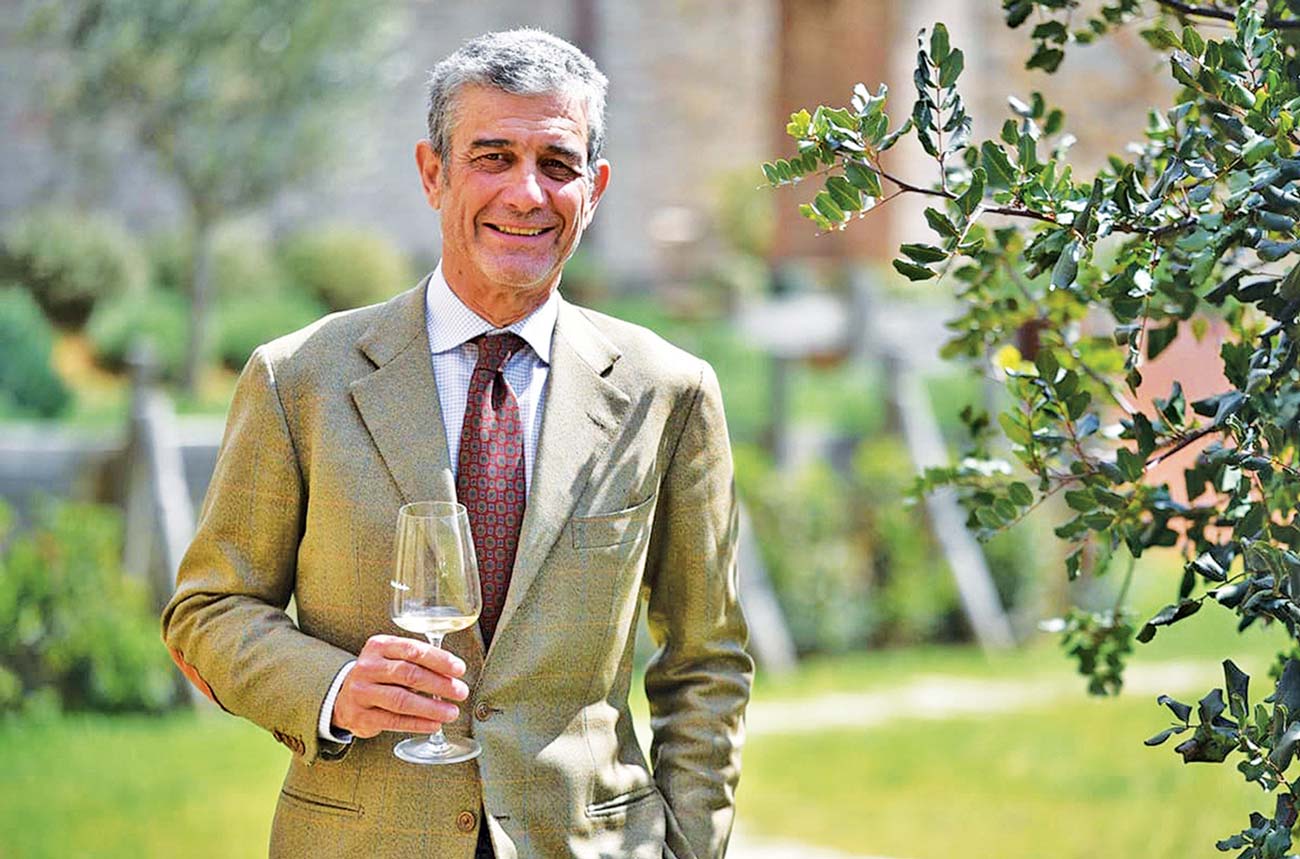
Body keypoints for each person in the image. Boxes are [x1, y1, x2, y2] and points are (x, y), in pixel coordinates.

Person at [162, 28, 752, 859]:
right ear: (433, 173)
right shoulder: (299, 378)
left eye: (557, 164)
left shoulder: (669, 392)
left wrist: (691, 849)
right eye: (492, 156)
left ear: (596, 188)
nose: (526, 192)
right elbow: (208, 610)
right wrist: (333, 688)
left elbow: (708, 661)